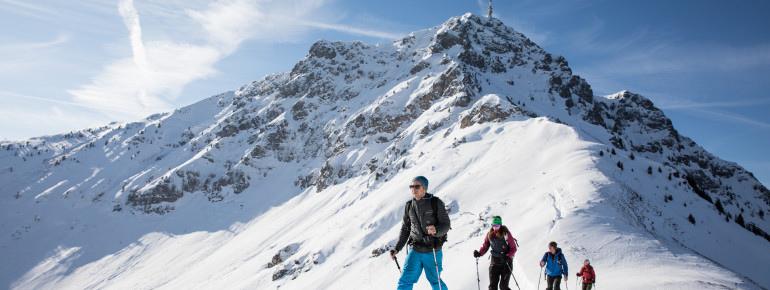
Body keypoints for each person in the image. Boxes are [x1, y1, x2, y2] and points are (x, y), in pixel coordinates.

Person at [390, 176, 451, 290]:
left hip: (432, 250)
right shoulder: (409, 206)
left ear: (424, 188)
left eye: (417, 186)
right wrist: (397, 248)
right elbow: (405, 229)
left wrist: (436, 230)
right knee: (405, 280)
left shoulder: (435, 203)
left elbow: (446, 224)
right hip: (415, 248)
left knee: (435, 281)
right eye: (412, 186)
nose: (414, 189)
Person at [473, 216, 518, 290]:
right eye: (493, 225)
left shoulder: (506, 234)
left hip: (506, 264)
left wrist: (508, 256)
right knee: (492, 287)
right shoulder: (489, 234)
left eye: (496, 225)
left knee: (503, 287)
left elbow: (513, 248)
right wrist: (479, 253)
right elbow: (485, 246)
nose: (495, 227)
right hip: (494, 263)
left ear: (500, 225)